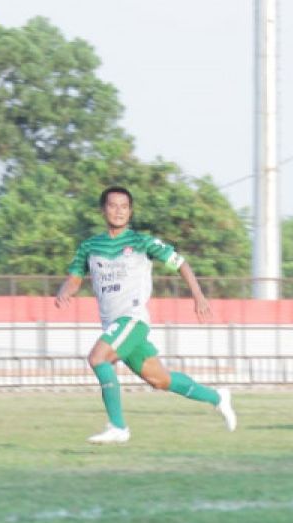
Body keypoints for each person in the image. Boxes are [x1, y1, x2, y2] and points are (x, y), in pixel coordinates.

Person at [54, 186, 236, 444]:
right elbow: (74, 278)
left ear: (130, 211)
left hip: (132, 319)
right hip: (114, 324)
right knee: (160, 380)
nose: (118, 211)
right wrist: (64, 292)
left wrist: (198, 296)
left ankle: (118, 427)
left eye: (124, 206)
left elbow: (180, 262)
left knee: (98, 358)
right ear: (103, 209)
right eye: (113, 205)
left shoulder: (142, 242)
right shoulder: (90, 246)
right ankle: (218, 398)